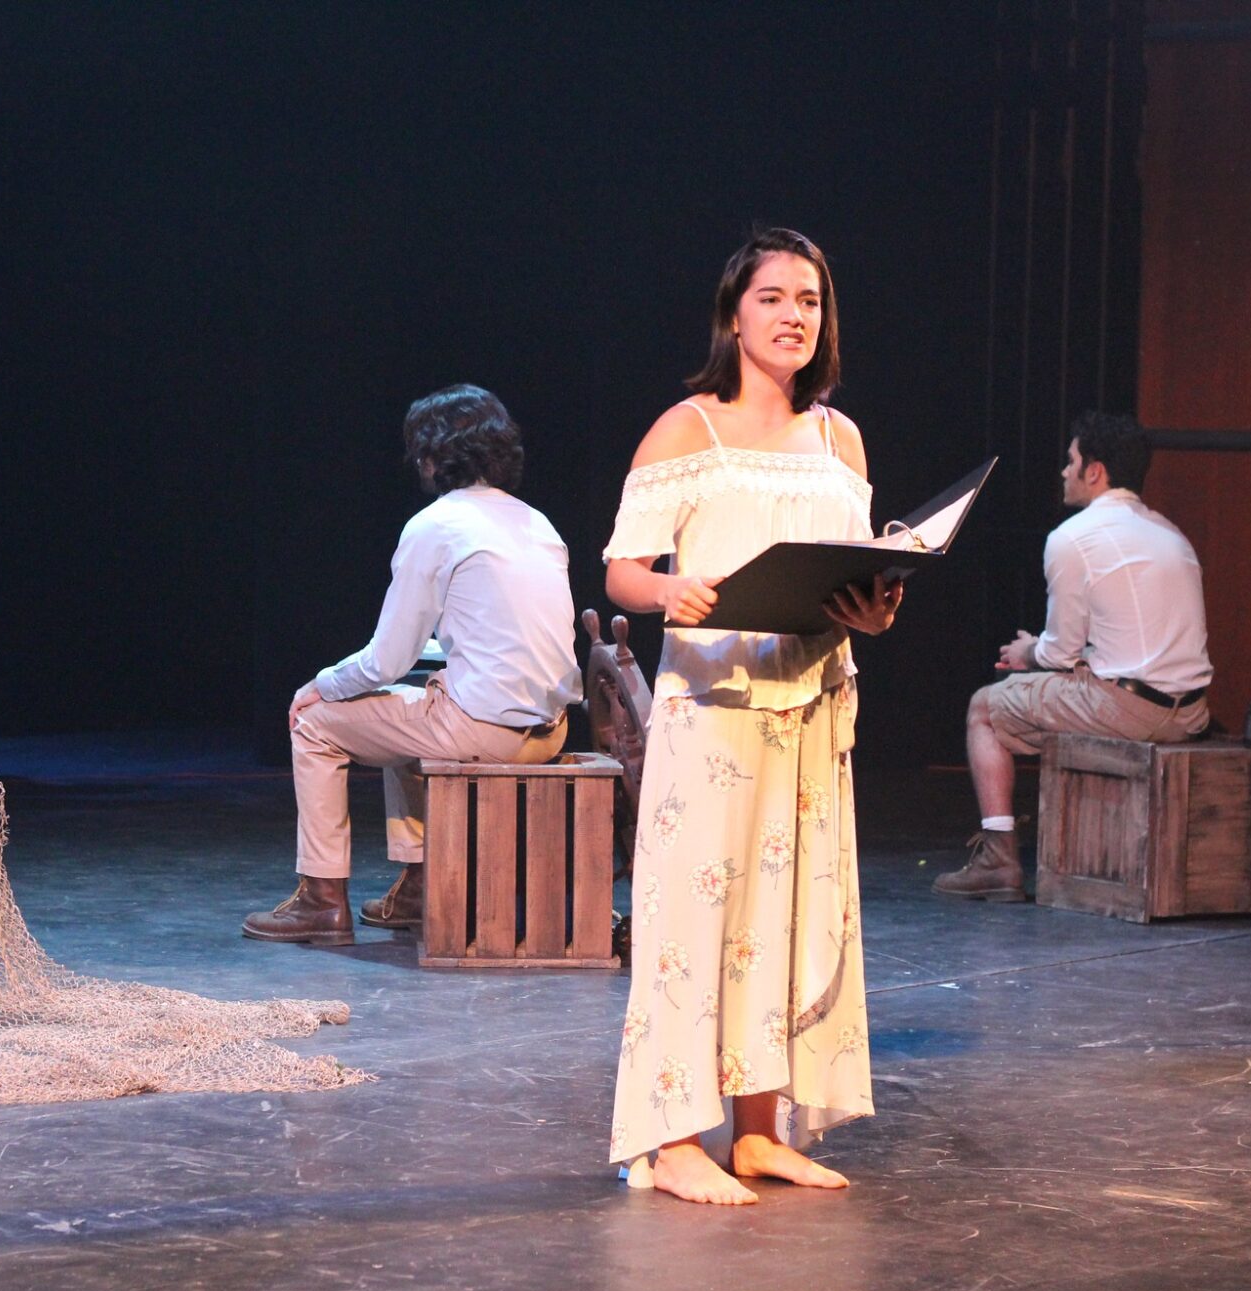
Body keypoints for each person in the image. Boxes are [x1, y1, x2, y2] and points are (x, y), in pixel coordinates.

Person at [603, 229, 900, 1206]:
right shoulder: (691, 429)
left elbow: (848, 568)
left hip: (811, 701)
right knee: (698, 919)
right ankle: (671, 1137)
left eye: (809, 302)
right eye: (772, 298)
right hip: (716, 706)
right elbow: (620, 569)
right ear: (734, 313)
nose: (791, 317)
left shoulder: (838, 439)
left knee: (792, 919)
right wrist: (669, 589)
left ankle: (761, 1130)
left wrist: (876, 606)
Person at [244, 384, 581, 945]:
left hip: (486, 729)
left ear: (431, 456)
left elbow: (386, 659)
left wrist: (320, 684)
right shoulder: (537, 523)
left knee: (315, 722)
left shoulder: (437, 524)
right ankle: (421, 885)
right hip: (548, 728)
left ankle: (321, 899)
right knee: (407, 711)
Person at [932, 412, 1212, 902]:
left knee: (984, 707)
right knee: (1047, 684)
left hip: (1129, 709)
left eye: (1071, 461)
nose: (1064, 471)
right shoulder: (1172, 533)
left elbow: (1059, 652)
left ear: (1095, 471)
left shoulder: (1072, 538)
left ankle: (999, 859)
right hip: (1190, 712)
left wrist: (1027, 651)